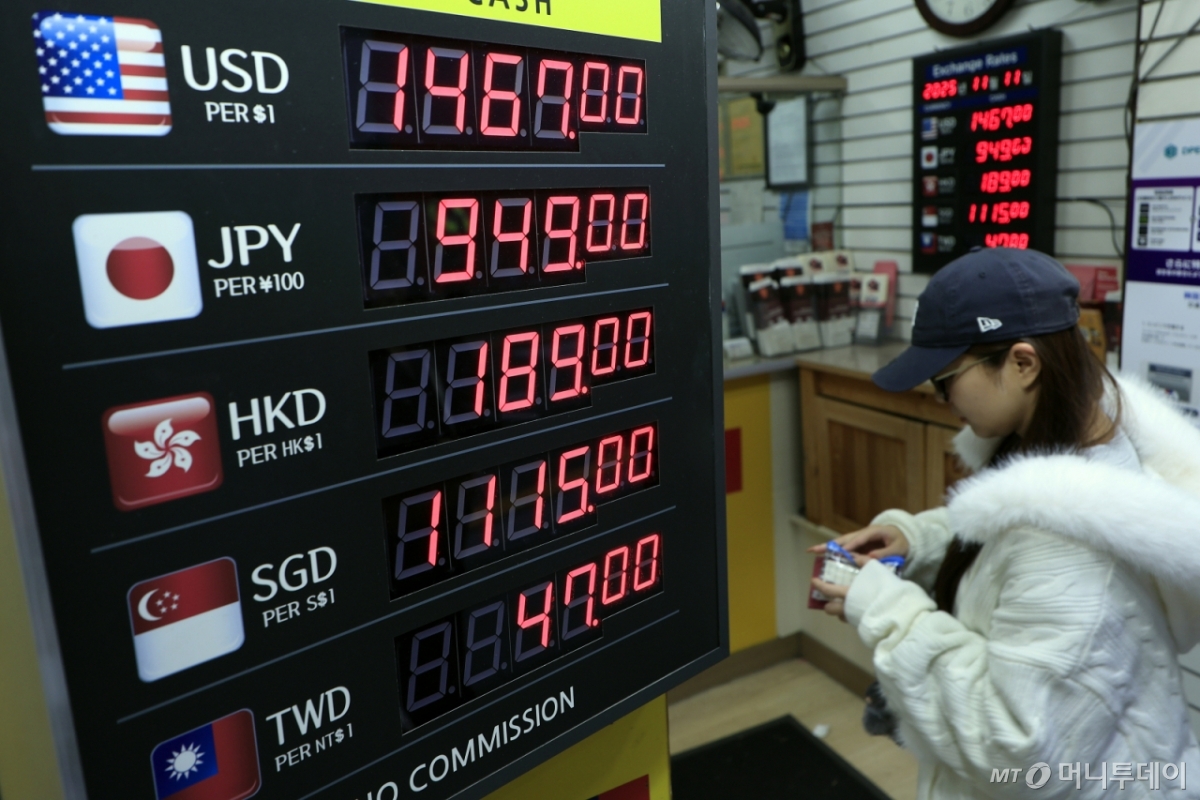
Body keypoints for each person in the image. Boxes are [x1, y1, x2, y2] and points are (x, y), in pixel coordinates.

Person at [809, 248, 1200, 799]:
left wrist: (886, 611)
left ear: (1023, 364)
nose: (941, 398)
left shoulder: (1066, 552)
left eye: (946, 379)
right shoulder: (1096, 453)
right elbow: (1016, 537)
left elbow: (1014, 746)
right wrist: (919, 541)